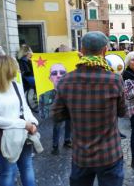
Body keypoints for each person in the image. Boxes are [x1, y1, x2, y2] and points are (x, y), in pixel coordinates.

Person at [52, 31, 126, 186]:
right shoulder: (115, 80)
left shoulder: (65, 81)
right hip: (109, 154)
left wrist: (75, 112)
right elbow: (122, 112)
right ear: (105, 50)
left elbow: (57, 115)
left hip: (81, 155)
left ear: (82, 50)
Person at [0, 55, 39, 186]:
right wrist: (24, 124)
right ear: (7, 69)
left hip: (23, 135)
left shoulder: (16, 84)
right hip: (3, 138)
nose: (18, 70)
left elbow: (24, 107)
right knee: (8, 172)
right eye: (15, 67)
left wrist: (33, 122)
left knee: (27, 167)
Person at [38, 64, 71, 155]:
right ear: (50, 78)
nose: (59, 75)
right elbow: (43, 114)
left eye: (62, 73)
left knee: (69, 123)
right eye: (54, 73)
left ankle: (67, 140)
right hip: (58, 113)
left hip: (69, 110)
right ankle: (55, 146)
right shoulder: (44, 95)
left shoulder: (72, 91)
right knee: (57, 126)